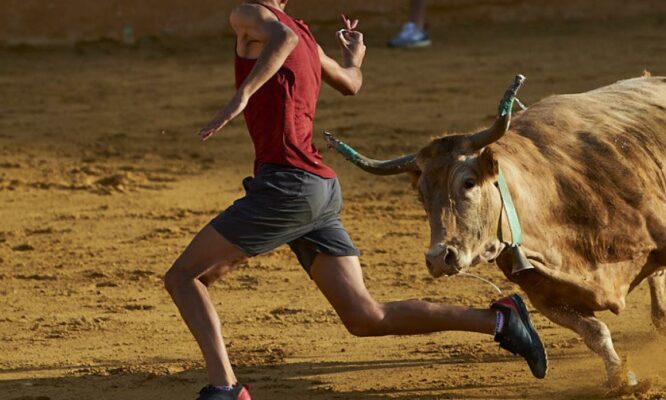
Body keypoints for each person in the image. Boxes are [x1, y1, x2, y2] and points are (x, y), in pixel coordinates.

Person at [163, 1, 547, 399]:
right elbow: (350, 82)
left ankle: (226, 389)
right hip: (319, 188)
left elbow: (284, 36)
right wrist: (354, 58)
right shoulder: (307, 38)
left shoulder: (251, 15)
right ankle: (499, 321)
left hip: (288, 189)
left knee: (183, 277)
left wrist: (241, 95)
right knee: (365, 316)